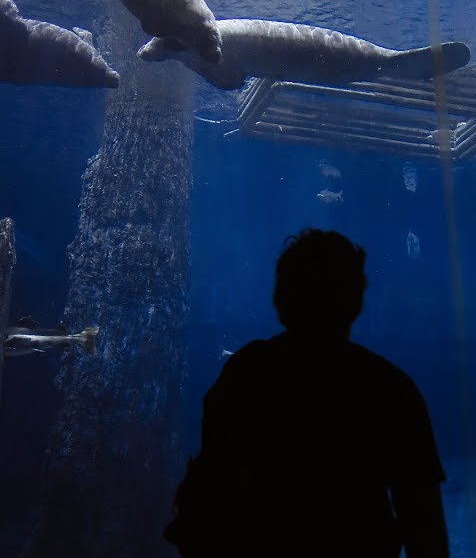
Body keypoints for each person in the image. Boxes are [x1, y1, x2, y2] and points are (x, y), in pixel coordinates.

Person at [164, 228, 449, 557]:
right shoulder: (392, 389)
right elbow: (424, 525)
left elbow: (207, 494)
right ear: (357, 300)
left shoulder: (245, 373)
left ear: (280, 298)